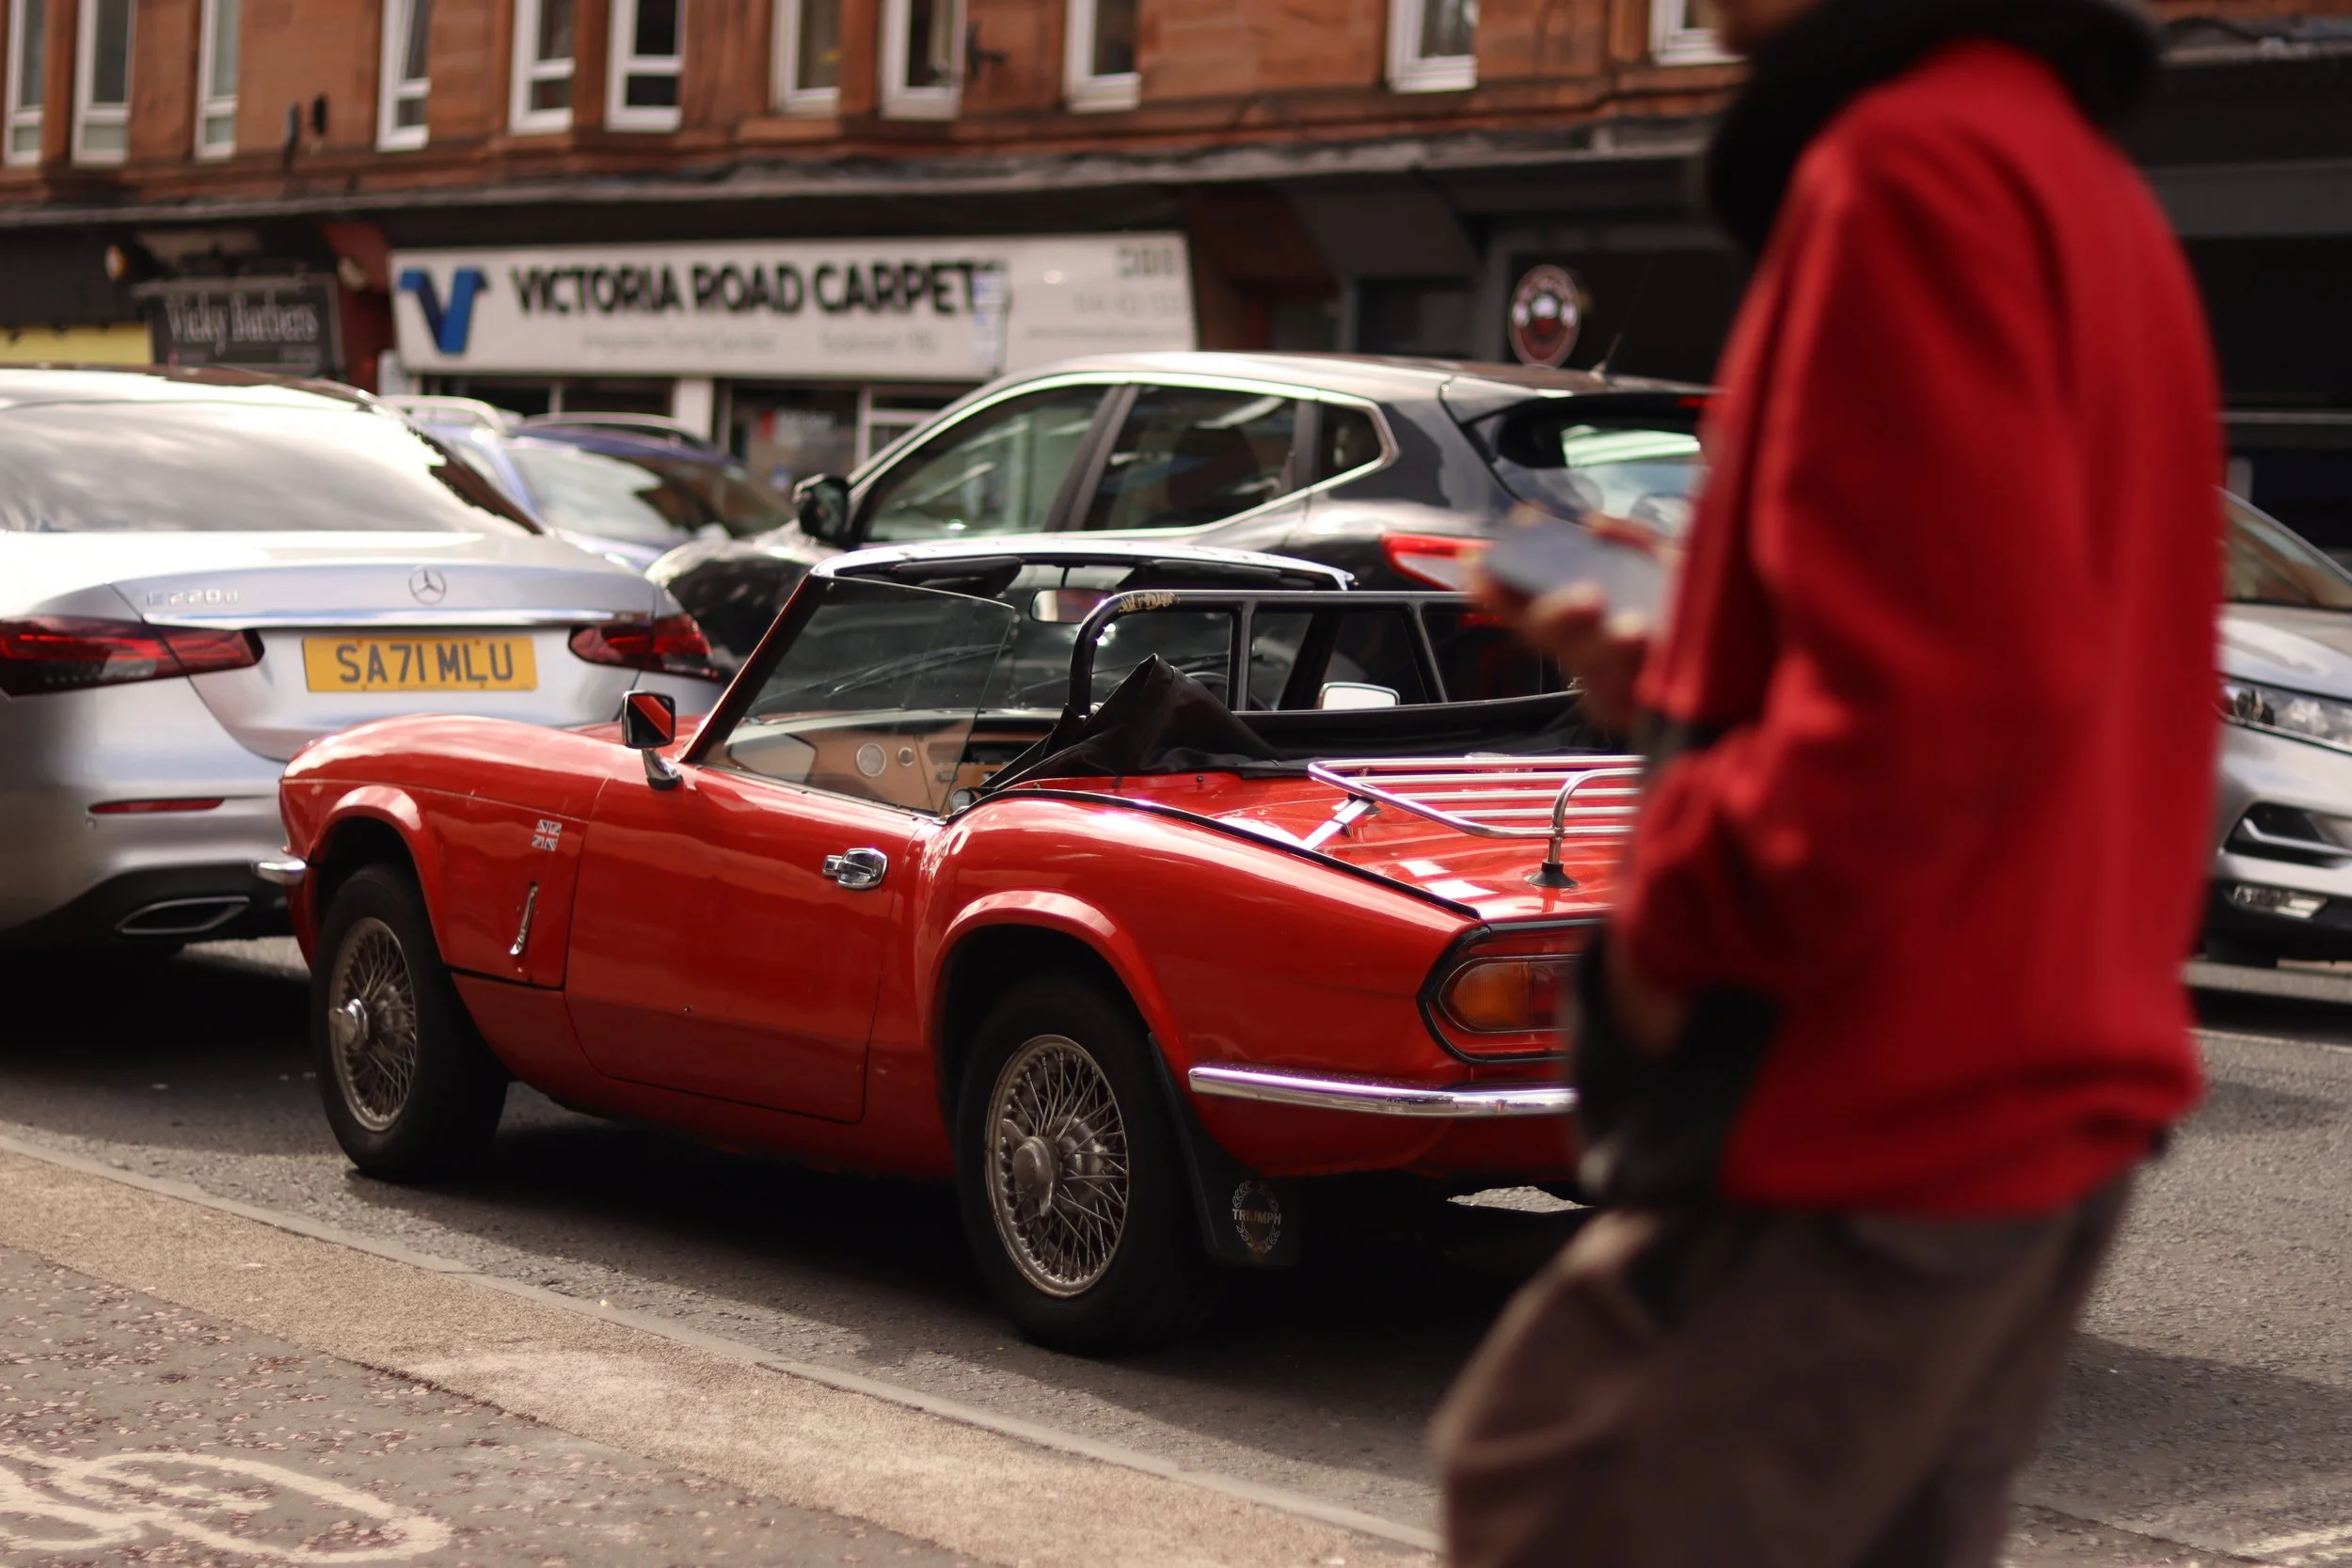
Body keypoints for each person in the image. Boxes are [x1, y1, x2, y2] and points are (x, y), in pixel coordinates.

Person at [1433, 0, 2222, 1563]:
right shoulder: (2068, 177)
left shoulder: (1907, 169)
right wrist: (1681, 656)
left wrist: (1667, 932)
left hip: (1873, 1089)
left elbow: (1943, 703)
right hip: (2027, 1094)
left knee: (1542, 1498)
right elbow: (2020, 649)